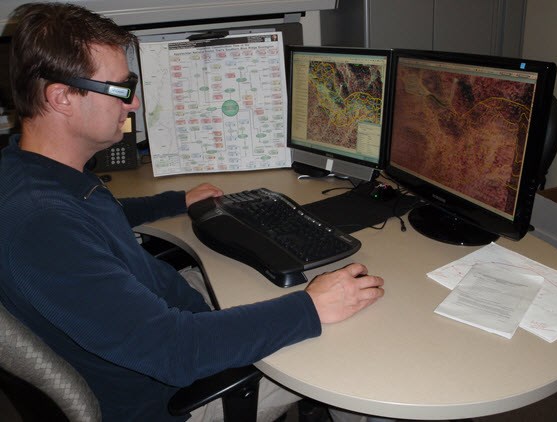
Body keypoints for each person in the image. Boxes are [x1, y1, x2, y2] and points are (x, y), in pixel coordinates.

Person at [0, 3, 385, 421]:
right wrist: (309, 309)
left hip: (170, 319)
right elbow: (175, 352)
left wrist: (172, 201)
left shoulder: (29, 171)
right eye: (122, 89)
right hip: (177, 391)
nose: (134, 105)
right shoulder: (43, 227)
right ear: (61, 98)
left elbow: (93, 215)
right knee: (363, 355)